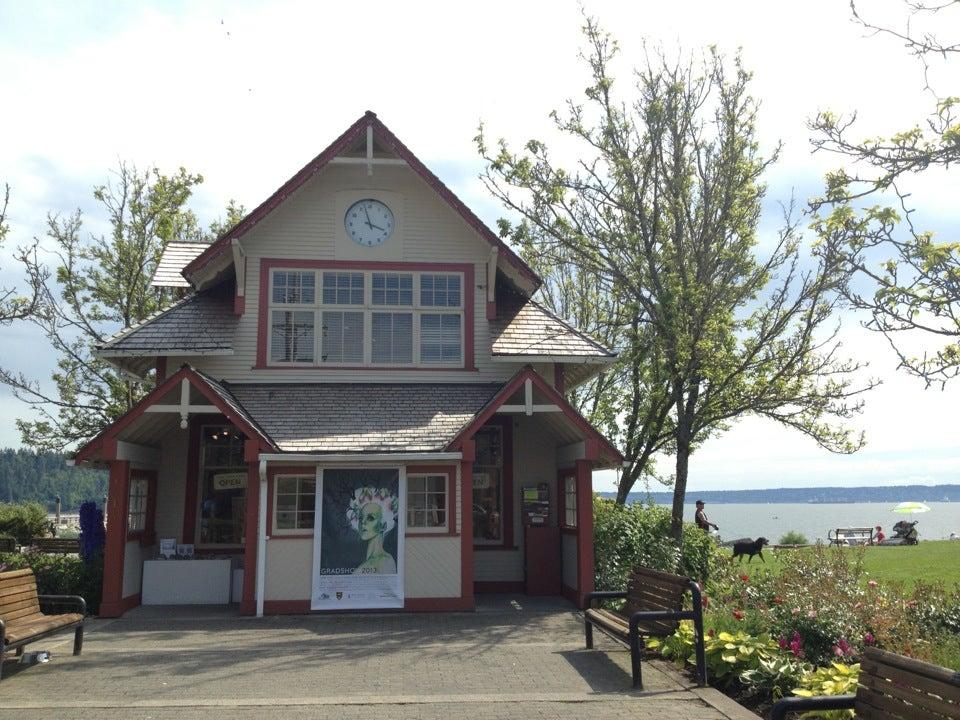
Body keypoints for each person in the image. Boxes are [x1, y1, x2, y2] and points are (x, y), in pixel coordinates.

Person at [347, 487, 398, 574]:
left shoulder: (385, 561)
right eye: (361, 517)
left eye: (371, 518)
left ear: (383, 526)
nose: (363, 522)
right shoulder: (366, 562)